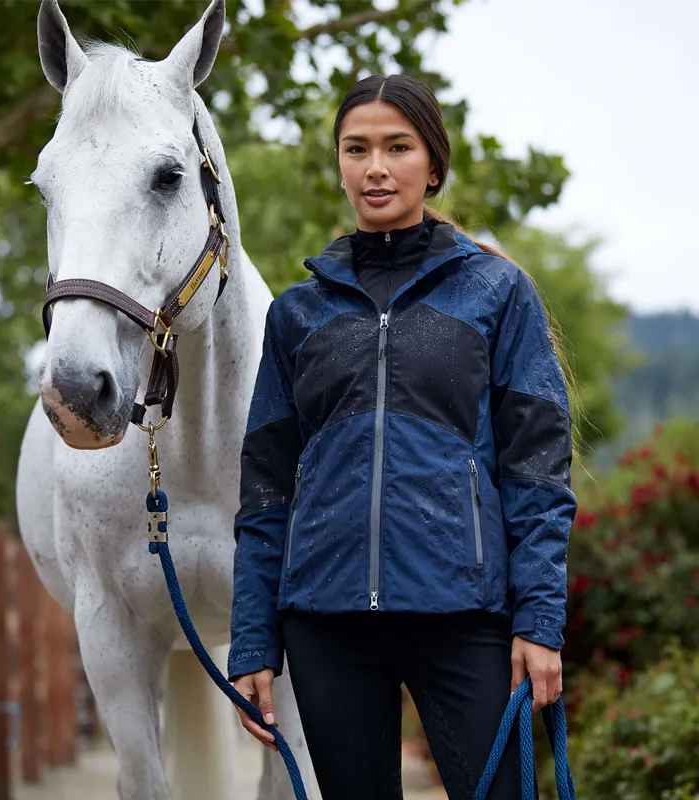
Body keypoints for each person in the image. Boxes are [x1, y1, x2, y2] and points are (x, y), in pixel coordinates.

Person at [227, 73, 577, 800]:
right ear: (340, 164)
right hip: (327, 625)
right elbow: (264, 487)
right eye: (356, 149)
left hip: (464, 616)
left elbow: (539, 470)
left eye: (397, 146)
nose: (376, 167)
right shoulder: (297, 314)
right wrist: (254, 638)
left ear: (433, 164)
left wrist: (540, 622)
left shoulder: (496, 292)